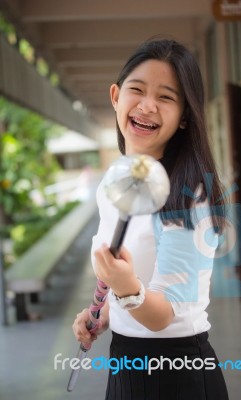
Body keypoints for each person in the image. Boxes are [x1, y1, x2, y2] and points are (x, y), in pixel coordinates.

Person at [72, 39, 229, 400]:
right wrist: (105, 310)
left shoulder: (189, 196)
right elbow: (131, 282)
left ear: (185, 116)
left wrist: (124, 288)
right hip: (125, 362)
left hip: (178, 372)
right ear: (115, 96)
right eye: (137, 90)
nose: (147, 106)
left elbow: (163, 316)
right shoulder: (115, 181)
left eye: (166, 97)